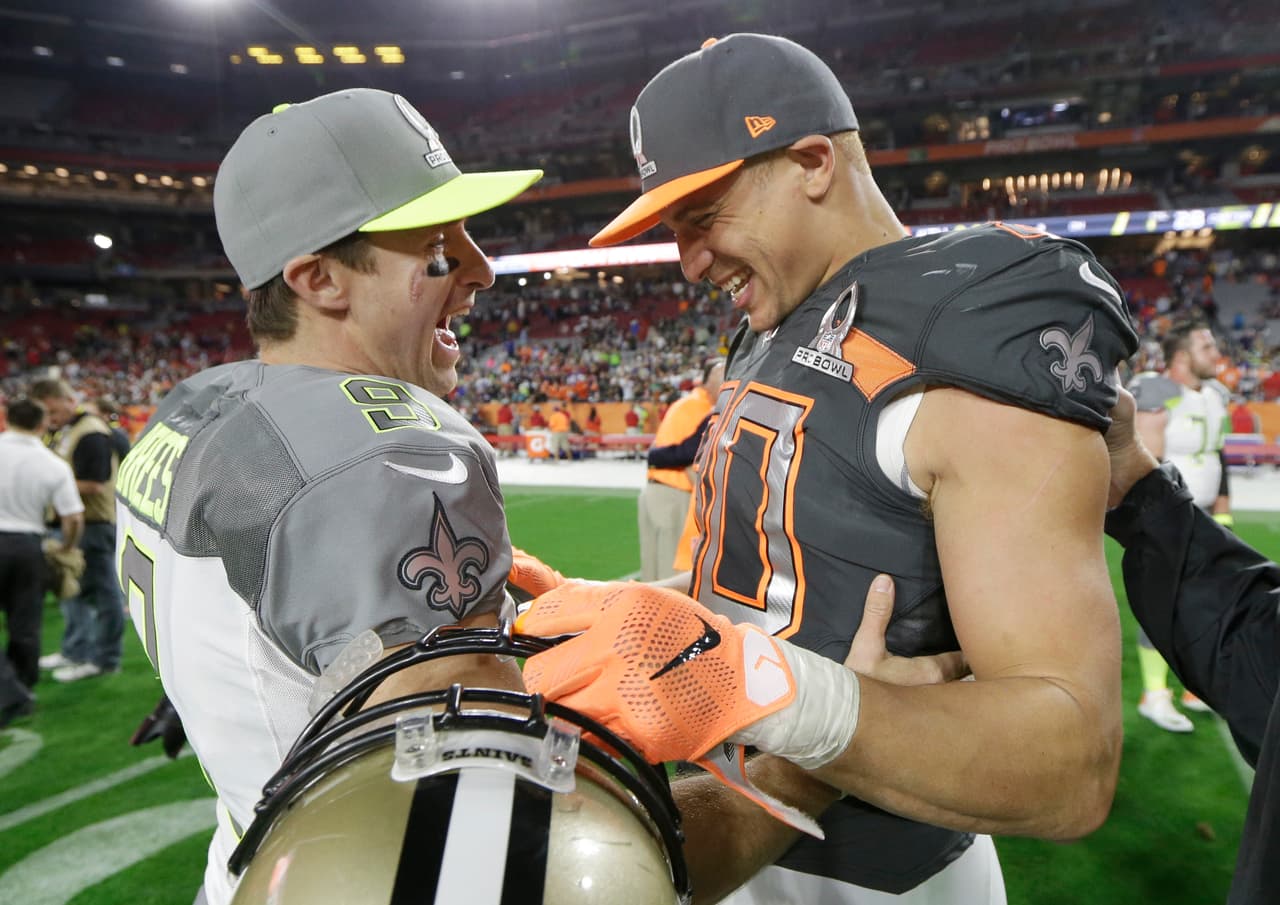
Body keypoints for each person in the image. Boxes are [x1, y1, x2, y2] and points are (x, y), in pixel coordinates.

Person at [522, 33, 1137, 903]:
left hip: (872, 879)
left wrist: (779, 697)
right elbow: (781, 582)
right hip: (737, 824)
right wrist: (641, 611)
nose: (688, 260)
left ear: (811, 161)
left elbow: (1069, 761)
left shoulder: (969, 322)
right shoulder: (775, 321)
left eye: (702, 216)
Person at [112, 87, 542, 905]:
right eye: (440, 251)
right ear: (318, 278)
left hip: (246, 860)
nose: (481, 270)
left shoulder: (192, 408)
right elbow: (487, 832)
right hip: (366, 872)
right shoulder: (396, 457)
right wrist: (793, 780)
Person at [1104, 385, 1277, 905]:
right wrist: (1136, 483)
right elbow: (1255, 651)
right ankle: (1155, 694)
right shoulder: (1163, 391)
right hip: (1175, 497)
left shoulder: (1209, 400)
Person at [1128, 321, 1229, 730]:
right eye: (1206, 345)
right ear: (1183, 356)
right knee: (1162, 604)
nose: (1216, 351)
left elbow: (1219, 457)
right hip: (1167, 516)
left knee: (1205, 603)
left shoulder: (1217, 394)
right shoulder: (1156, 390)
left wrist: (1223, 515)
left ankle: (1193, 685)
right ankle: (1154, 694)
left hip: (1205, 515)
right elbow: (1144, 462)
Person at [30, 377, 125, 683]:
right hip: (70, 521)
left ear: (68, 400)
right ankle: (76, 650)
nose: (50, 420)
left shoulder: (92, 433)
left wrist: (48, 486)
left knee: (102, 593)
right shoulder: (68, 430)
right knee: (73, 593)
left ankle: (105, 658)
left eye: (54, 412)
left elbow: (96, 483)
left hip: (92, 523)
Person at [0, 397, 83, 725]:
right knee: (25, 624)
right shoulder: (52, 464)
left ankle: (11, 691)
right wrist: (67, 547)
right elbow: (73, 517)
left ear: (6, 419)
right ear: (41, 424)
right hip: (27, 546)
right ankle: (21, 689)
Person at [638, 358, 724, 581]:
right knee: (670, 577)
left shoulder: (684, 404)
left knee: (652, 575)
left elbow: (661, 451)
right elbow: (688, 454)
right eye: (721, 378)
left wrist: (654, 458)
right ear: (705, 382)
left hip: (655, 490)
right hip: (673, 494)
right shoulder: (704, 410)